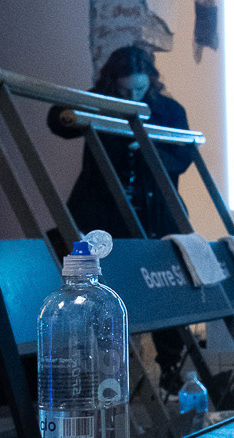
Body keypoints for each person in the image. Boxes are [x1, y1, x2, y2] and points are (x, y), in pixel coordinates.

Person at [47, 44, 195, 393]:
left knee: (166, 290)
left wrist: (148, 151)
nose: (133, 96)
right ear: (113, 83)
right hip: (104, 214)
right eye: (125, 91)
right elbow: (58, 120)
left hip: (156, 214)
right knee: (101, 289)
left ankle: (171, 369)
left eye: (139, 89)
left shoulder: (169, 110)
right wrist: (93, 105)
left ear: (151, 81)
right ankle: (105, 370)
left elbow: (183, 157)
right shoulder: (100, 102)